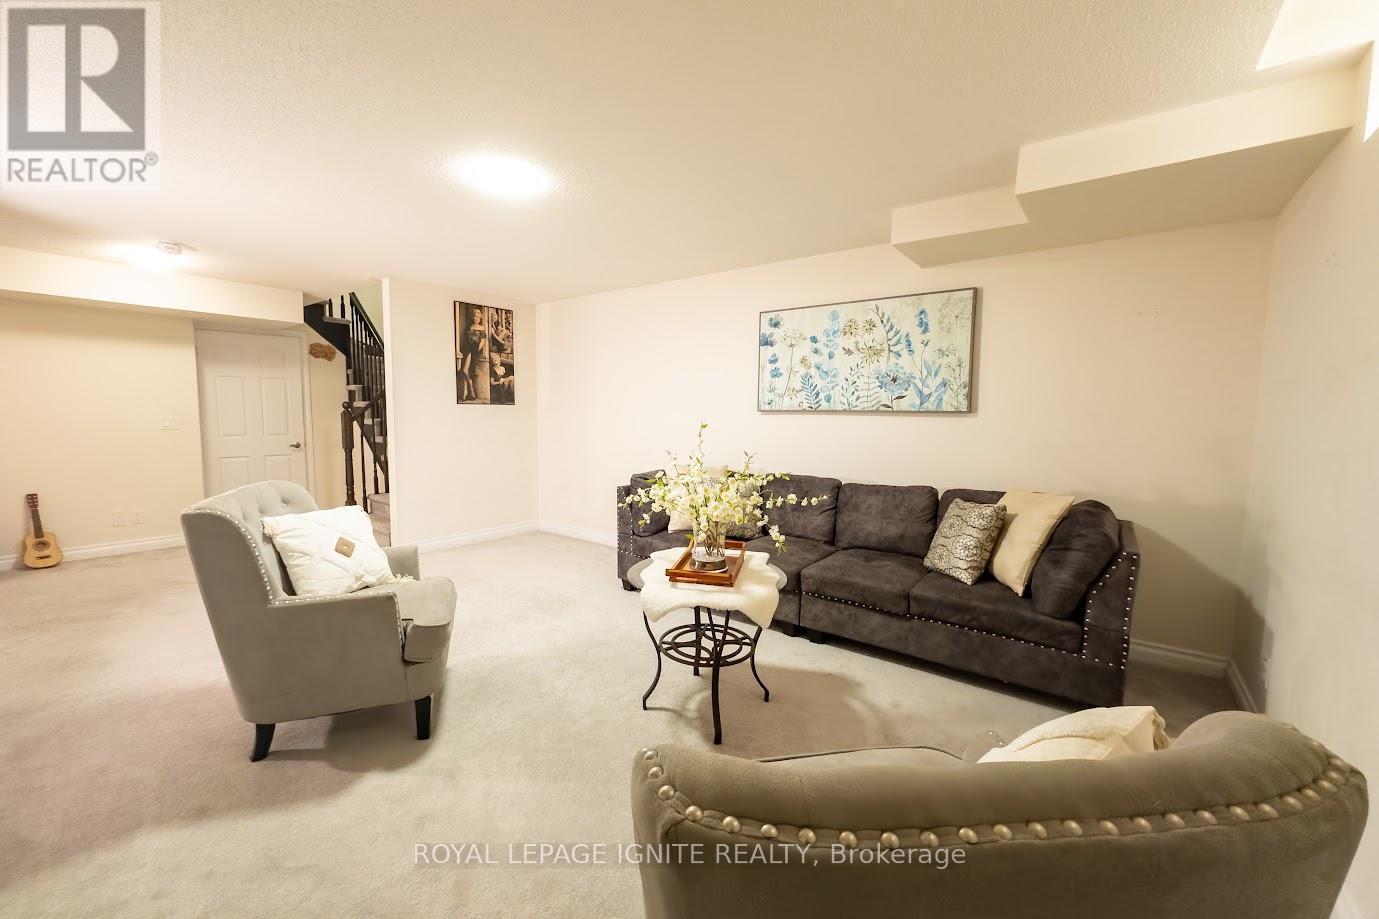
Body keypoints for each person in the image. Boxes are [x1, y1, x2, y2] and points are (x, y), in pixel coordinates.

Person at [458, 306, 487, 402]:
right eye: (474, 316)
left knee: (466, 370)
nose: (476, 318)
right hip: (467, 348)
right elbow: (466, 339)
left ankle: (467, 392)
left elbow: (482, 341)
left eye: (478, 317)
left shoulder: (481, 328)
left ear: (480, 318)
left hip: (474, 349)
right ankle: (467, 393)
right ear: (472, 317)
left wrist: (476, 350)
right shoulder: (470, 327)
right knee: (464, 370)